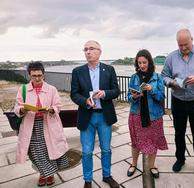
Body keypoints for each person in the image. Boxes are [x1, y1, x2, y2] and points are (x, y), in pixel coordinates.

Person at [161, 28, 194, 178]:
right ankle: (180, 159)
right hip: (178, 101)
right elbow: (163, 76)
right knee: (179, 133)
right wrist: (172, 82)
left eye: (186, 44)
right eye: (180, 45)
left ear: (192, 39)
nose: (183, 48)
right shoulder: (171, 57)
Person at [70, 40, 120, 188]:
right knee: (86, 152)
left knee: (106, 149)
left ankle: (107, 176)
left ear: (99, 51)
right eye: (85, 49)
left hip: (104, 116)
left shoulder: (109, 69)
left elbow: (116, 91)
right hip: (87, 116)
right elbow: (74, 94)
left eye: (91, 48)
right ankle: (87, 180)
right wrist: (85, 101)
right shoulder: (78, 71)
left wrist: (104, 93)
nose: (88, 52)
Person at [14, 61, 69, 186]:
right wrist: (22, 109)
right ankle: (44, 173)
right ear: (29, 75)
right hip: (30, 126)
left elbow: (58, 105)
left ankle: (47, 175)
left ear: (44, 74)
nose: (37, 78)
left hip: (48, 124)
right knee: (35, 152)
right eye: (34, 76)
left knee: (48, 150)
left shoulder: (51, 89)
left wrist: (51, 109)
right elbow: (17, 107)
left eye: (40, 75)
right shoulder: (23, 89)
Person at [127, 49, 168, 178]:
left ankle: (152, 165)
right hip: (136, 114)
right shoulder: (134, 77)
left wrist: (152, 89)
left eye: (144, 62)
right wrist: (134, 96)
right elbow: (129, 96)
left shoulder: (157, 77)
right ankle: (133, 164)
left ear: (149, 62)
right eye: (139, 63)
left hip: (154, 116)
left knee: (153, 141)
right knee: (135, 141)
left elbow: (162, 96)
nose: (142, 65)